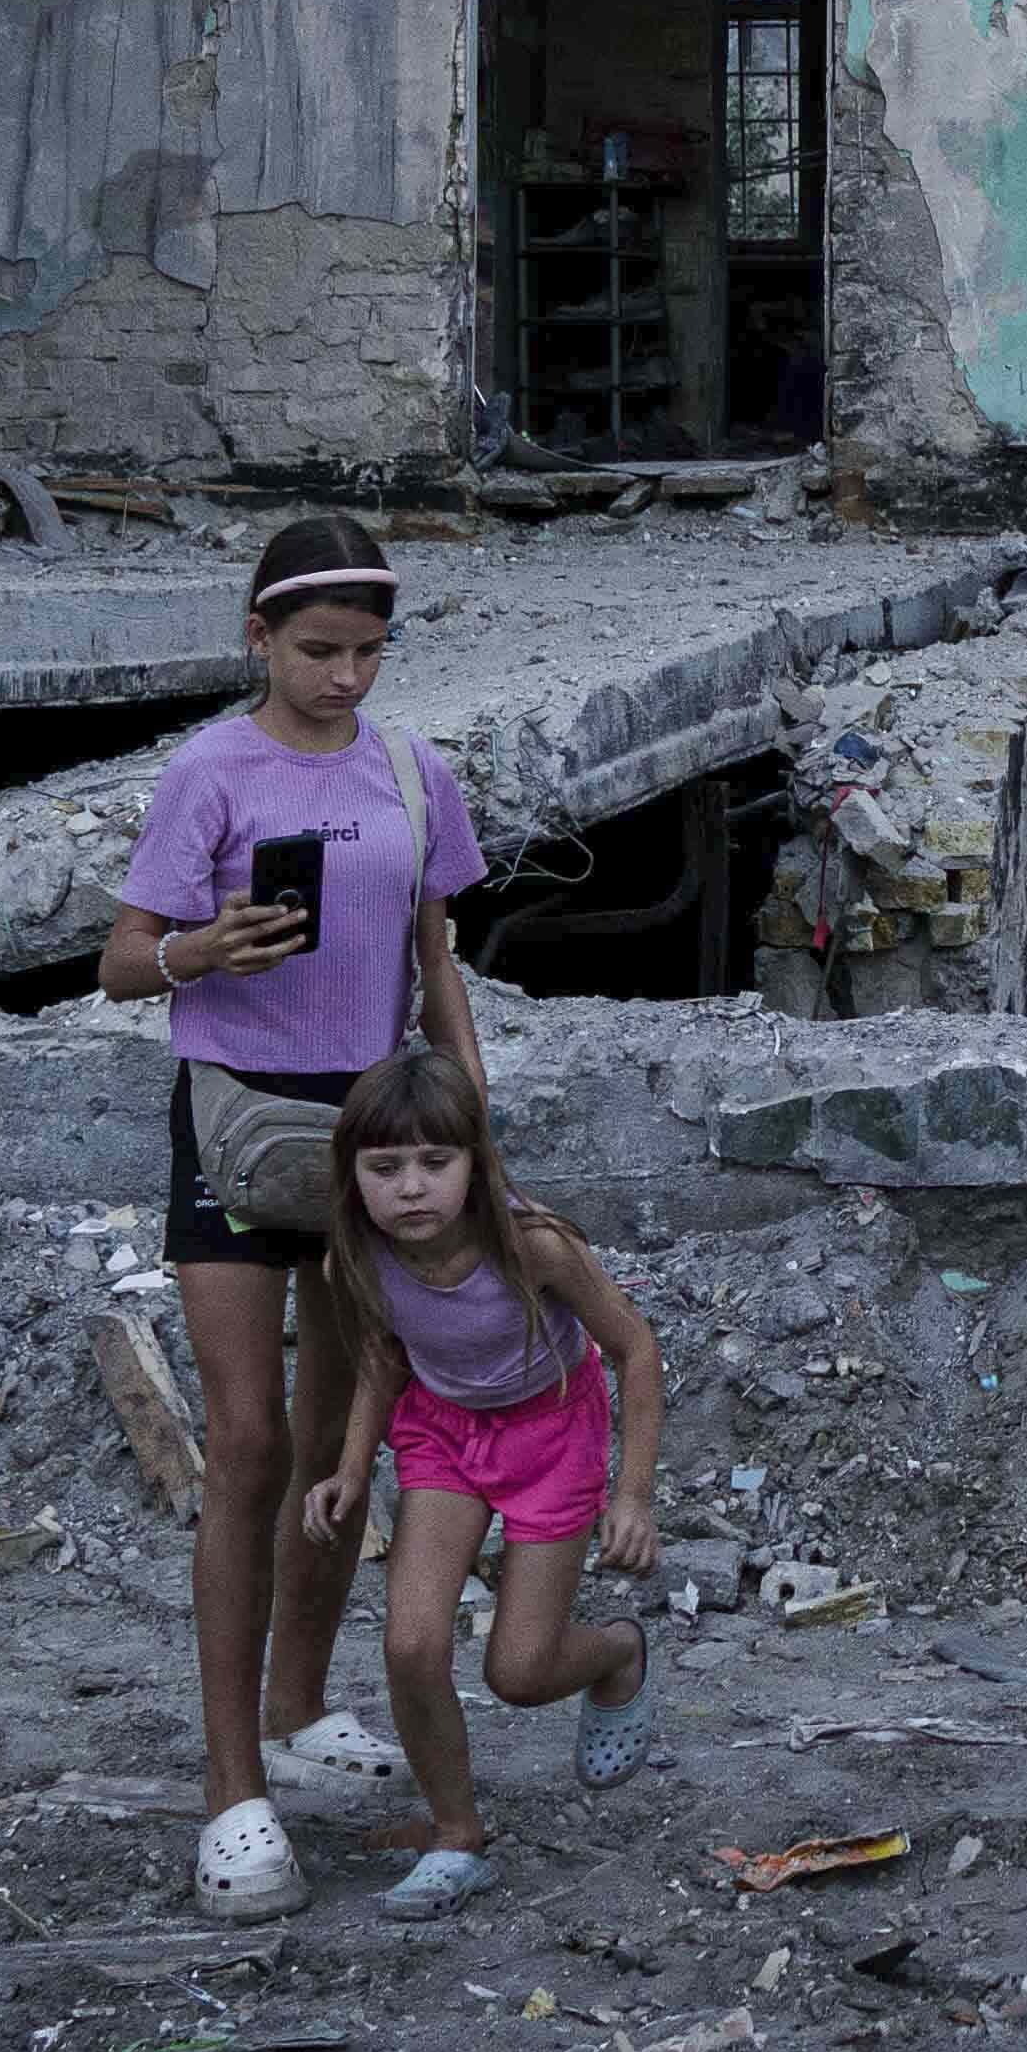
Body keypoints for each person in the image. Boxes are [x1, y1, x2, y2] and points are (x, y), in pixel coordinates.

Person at [103, 513, 495, 1925]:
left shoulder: (409, 768)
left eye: (369, 653)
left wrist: (472, 1123)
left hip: (378, 1131)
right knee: (251, 1442)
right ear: (257, 638)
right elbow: (120, 962)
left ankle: (298, 1708)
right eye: (319, 651)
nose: (347, 679)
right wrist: (200, 950)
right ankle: (231, 1792)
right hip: (234, 1123)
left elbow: (434, 956)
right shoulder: (209, 769)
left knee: (346, 1434)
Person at [294, 1046, 670, 1905]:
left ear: (477, 1160)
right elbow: (384, 1361)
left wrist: (634, 1496)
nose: (412, 1189)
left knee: (520, 1671)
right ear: (353, 1176)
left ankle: (617, 1650)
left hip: (551, 1434)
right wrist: (351, 1469)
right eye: (385, 1169)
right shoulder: (359, 1254)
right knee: (412, 1642)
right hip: (443, 1432)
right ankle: (457, 1833)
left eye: (436, 1163)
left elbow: (635, 1348)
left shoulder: (533, 1245)